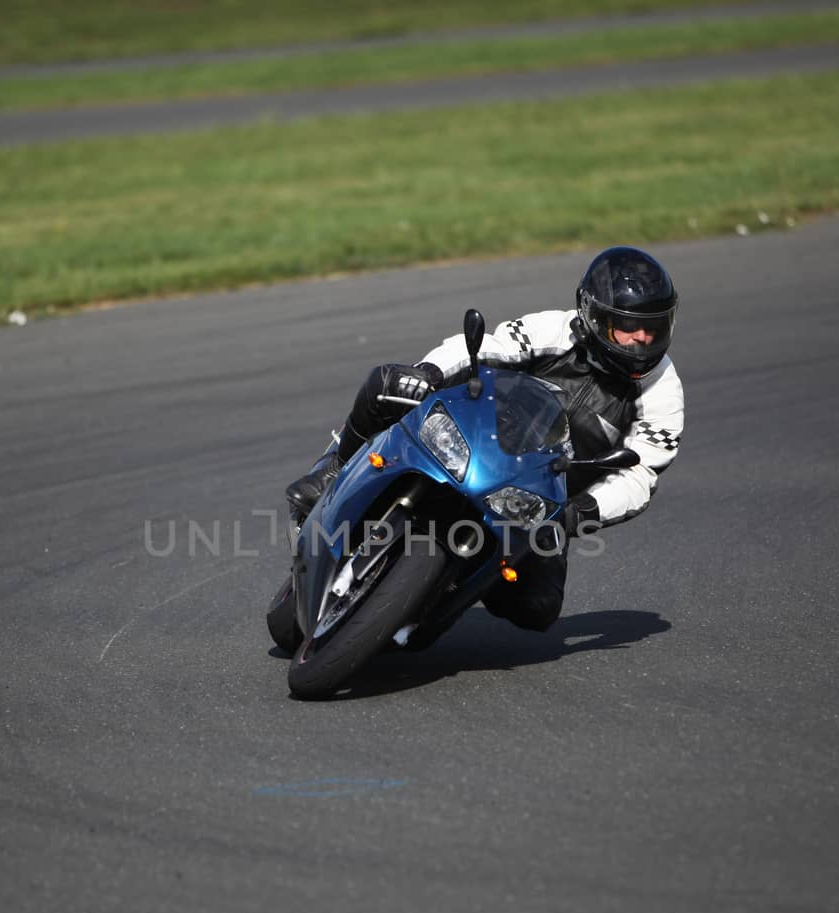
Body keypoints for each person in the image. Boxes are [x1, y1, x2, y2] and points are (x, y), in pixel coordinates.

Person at [284, 246, 685, 631]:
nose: (642, 340)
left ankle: (442, 587)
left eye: (653, 328)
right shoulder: (556, 330)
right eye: (628, 326)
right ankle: (335, 472)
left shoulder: (663, 392)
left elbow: (642, 473)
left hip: (538, 503)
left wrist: (579, 512)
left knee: (536, 609)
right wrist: (430, 374)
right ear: (594, 316)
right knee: (386, 383)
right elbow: (488, 345)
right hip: (473, 445)